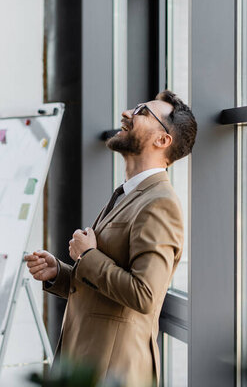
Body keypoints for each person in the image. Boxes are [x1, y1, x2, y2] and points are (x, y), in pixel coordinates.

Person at [24, 90, 197, 386]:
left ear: (162, 140)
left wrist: (87, 257)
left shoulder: (160, 203)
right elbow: (108, 293)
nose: (127, 113)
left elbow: (144, 295)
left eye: (142, 112)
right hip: (89, 361)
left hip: (114, 370)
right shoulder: (128, 193)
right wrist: (61, 273)